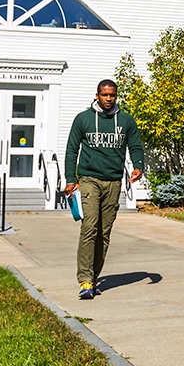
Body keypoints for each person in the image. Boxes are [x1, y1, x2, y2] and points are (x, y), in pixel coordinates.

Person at [64, 79, 145, 300]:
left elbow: (135, 146)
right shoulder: (84, 119)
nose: (108, 99)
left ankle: (94, 276)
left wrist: (138, 166)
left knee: (104, 232)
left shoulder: (126, 120)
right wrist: (71, 179)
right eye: (104, 95)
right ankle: (85, 280)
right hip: (89, 179)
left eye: (112, 95)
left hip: (114, 182)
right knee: (89, 227)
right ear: (97, 95)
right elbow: (72, 149)